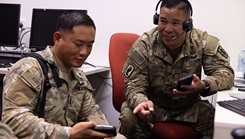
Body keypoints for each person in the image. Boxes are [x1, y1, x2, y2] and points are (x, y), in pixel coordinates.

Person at [118, 0, 234, 138]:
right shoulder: (144, 45)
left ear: (188, 24)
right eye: (163, 21)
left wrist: (204, 85)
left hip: (189, 108)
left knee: (222, 123)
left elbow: (226, 73)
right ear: (156, 19)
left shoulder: (202, 41)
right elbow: (133, 86)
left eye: (175, 23)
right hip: (154, 107)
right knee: (128, 116)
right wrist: (141, 102)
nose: (167, 29)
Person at [2, 11, 112, 139]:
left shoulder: (78, 77)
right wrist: (68, 133)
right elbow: (13, 119)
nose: (84, 52)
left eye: (90, 45)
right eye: (78, 44)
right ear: (58, 38)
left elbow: (91, 112)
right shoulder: (30, 69)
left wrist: (103, 131)